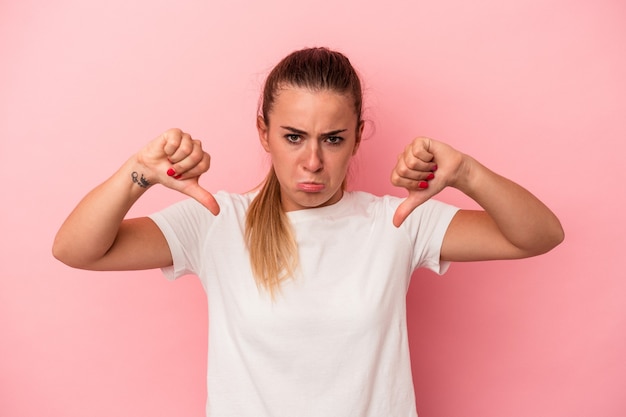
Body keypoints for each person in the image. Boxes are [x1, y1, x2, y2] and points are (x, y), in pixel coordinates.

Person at [53, 47, 564, 417]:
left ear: (358, 135)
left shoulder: (399, 221)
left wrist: (468, 173)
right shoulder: (215, 221)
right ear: (264, 132)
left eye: (333, 139)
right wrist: (137, 172)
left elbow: (539, 235)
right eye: (293, 137)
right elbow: (76, 250)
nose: (312, 162)